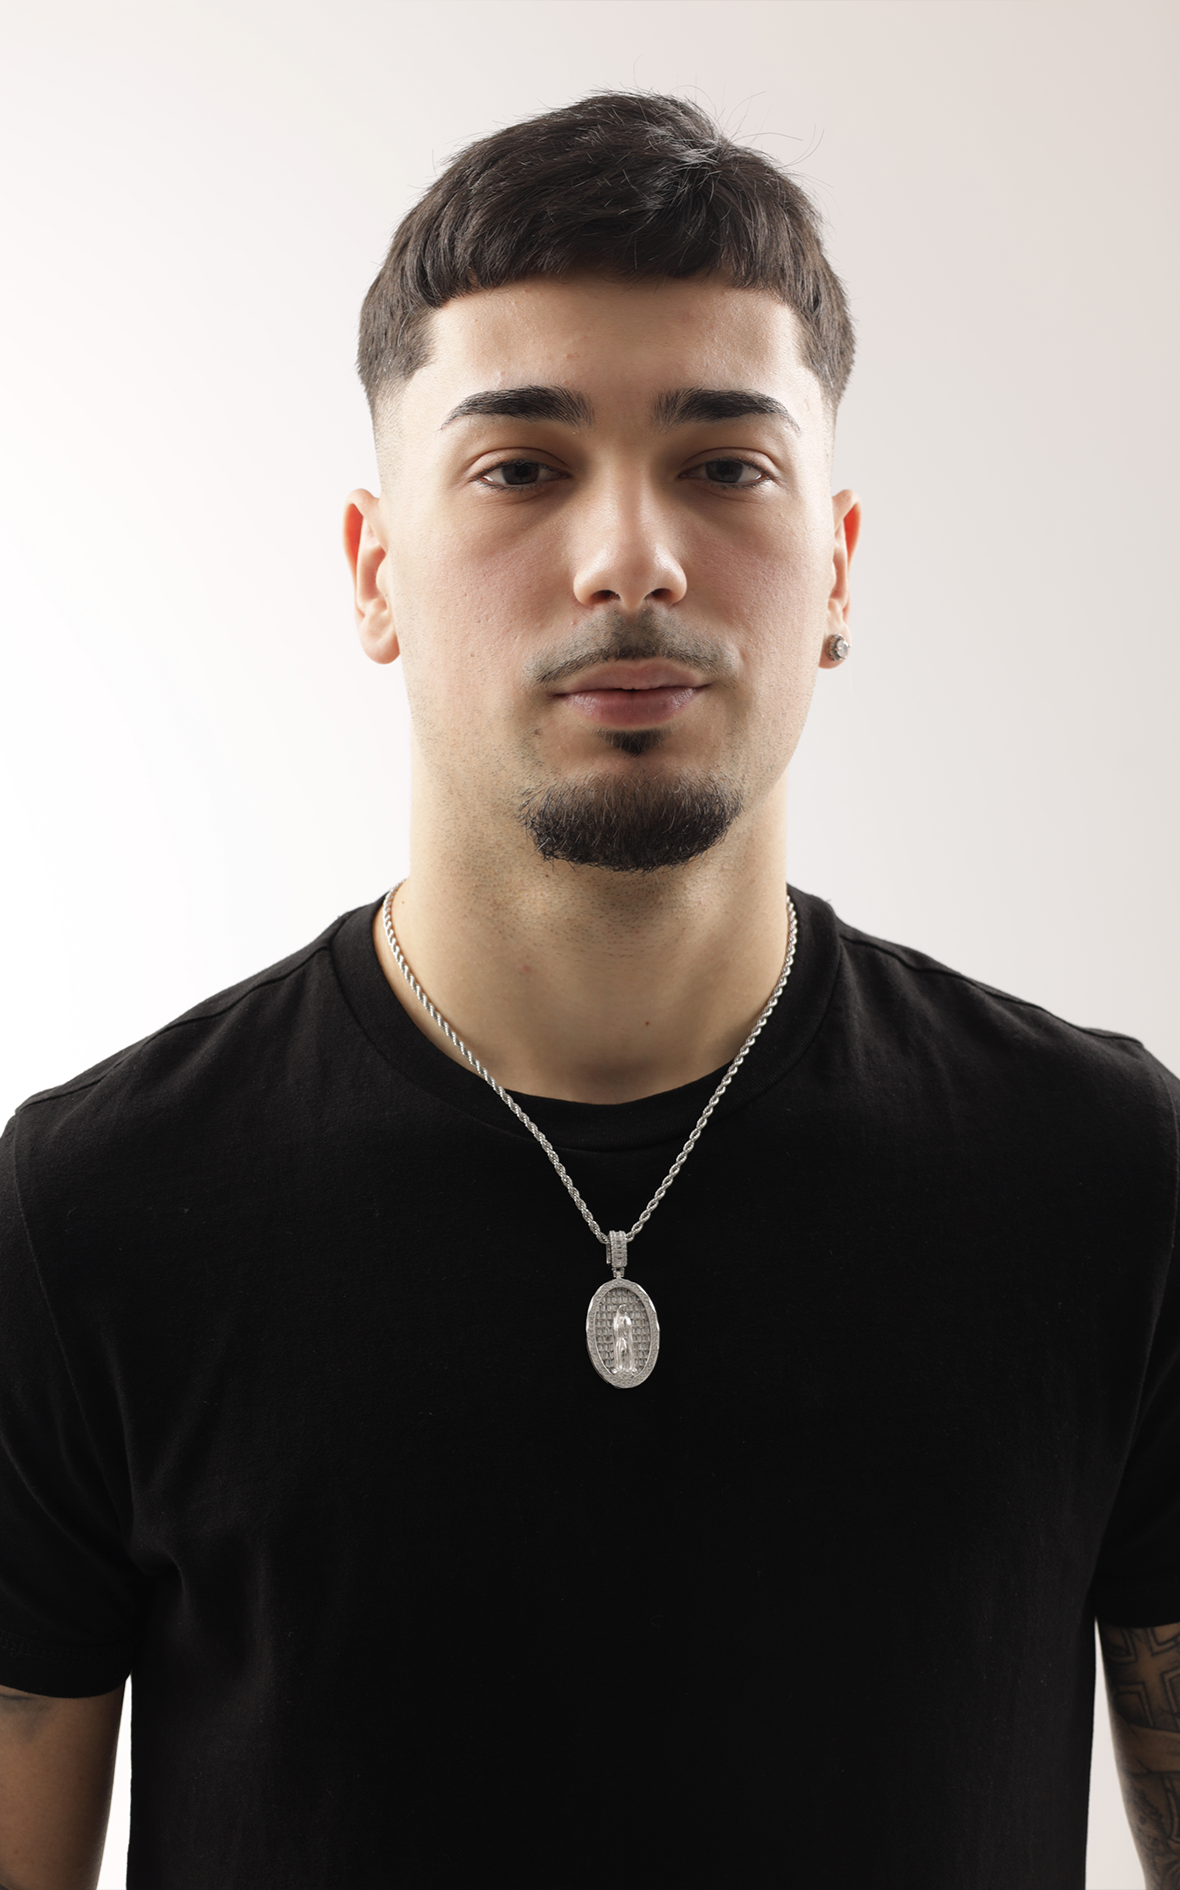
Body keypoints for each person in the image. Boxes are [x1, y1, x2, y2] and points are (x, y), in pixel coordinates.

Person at [0, 89, 1177, 1890]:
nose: (632, 555)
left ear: (838, 567)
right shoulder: (85, 1216)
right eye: (521, 467)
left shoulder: (1110, 1181)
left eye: (726, 465)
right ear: (375, 572)